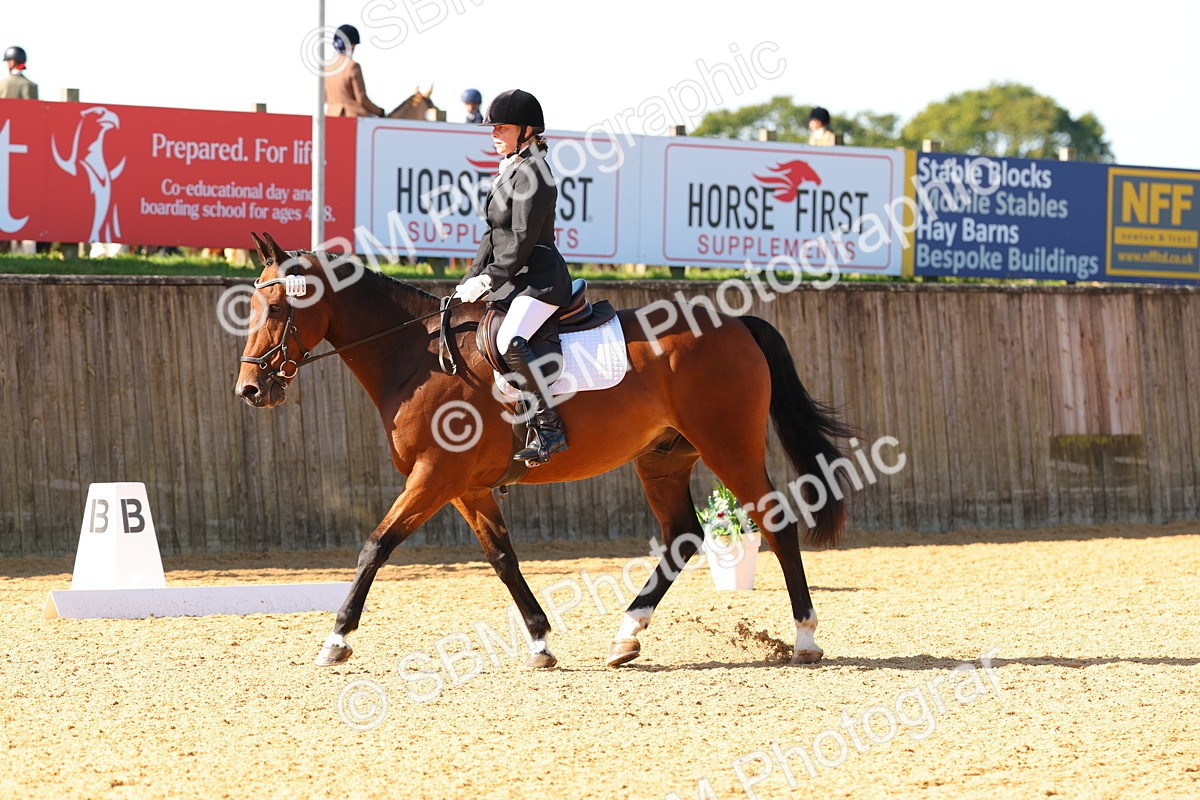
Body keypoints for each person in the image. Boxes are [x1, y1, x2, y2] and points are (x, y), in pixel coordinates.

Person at [453, 88, 572, 463]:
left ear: (527, 130)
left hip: (540, 280)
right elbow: (492, 234)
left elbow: (521, 238)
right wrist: (469, 279)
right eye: (493, 128)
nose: (493, 134)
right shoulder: (512, 169)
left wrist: (490, 279)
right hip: (515, 279)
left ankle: (550, 429)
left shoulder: (535, 172)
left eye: (501, 128)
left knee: (509, 340)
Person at [324, 25, 384, 118]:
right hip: (352, 118)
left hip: (330, 117)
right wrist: (381, 112)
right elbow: (362, 99)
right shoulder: (352, 66)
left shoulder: (327, 68)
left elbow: (324, 97)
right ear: (351, 45)